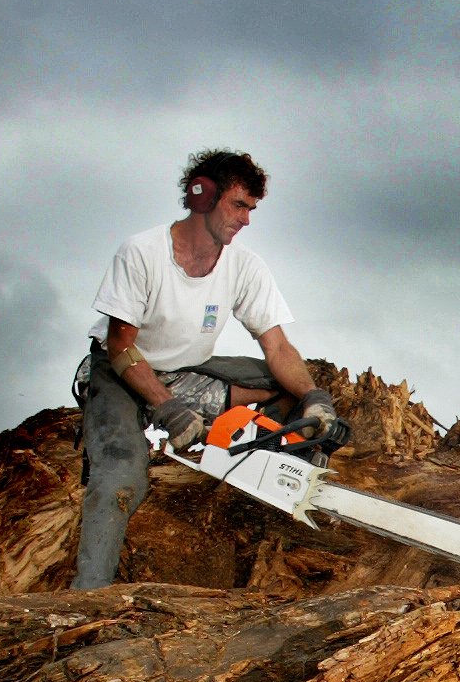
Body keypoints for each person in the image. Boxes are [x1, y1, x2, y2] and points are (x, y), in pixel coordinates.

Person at [72, 149, 343, 588]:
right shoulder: (142, 253)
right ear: (202, 196)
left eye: (252, 210)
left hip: (188, 370)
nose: (246, 220)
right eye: (239, 205)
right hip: (122, 371)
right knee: (121, 473)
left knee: (291, 391)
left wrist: (315, 398)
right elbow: (121, 347)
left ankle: (272, 486)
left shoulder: (244, 266)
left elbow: (276, 344)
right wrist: (167, 408)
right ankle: (86, 595)